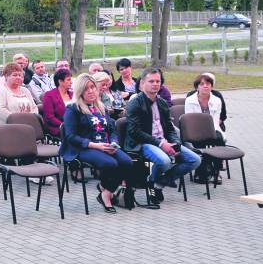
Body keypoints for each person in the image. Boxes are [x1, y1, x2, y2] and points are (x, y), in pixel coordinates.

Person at [124, 67, 201, 202]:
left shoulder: (162, 103)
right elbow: (135, 132)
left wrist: (175, 144)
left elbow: (170, 129)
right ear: (142, 83)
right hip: (142, 143)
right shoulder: (134, 103)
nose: (155, 84)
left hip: (163, 141)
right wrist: (161, 144)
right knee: (164, 161)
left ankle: (157, 184)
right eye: (151, 81)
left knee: (195, 160)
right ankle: (152, 185)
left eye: (158, 81)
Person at [60, 74, 134, 213]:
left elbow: (112, 129)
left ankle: (105, 189)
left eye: (93, 87)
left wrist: (113, 143)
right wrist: (95, 145)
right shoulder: (73, 109)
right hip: (83, 148)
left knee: (127, 162)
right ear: (79, 91)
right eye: (86, 89)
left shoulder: (101, 107)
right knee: (111, 164)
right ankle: (106, 195)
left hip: (105, 145)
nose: (90, 91)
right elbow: (70, 136)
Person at [0, 62, 37, 126]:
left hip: (28, 125)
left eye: (20, 75)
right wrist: (18, 120)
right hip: (9, 128)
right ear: (6, 76)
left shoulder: (25, 90)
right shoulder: (1, 91)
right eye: (15, 75)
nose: (18, 77)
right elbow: (0, 110)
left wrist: (31, 119)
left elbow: (34, 107)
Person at [43, 68, 73, 137]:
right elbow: (49, 117)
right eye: (68, 80)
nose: (71, 82)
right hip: (58, 127)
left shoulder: (72, 94)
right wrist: (65, 125)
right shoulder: (49, 95)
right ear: (60, 81)